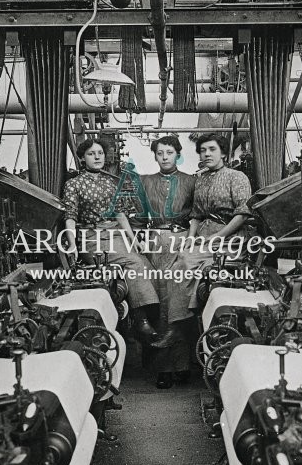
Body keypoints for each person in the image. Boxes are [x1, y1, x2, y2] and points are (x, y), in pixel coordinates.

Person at [152, 134, 252, 348]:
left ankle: (178, 328)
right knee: (176, 265)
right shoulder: (202, 179)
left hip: (230, 237)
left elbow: (243, 214)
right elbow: (196, 215)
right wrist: (190, 238)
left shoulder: (237, 177)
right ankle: (181, 325)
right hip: (203, 235)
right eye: (203, 150)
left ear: (223, 153)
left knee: (187, 265)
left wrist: (219, 236)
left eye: (212, 149)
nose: (206, 154)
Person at [63, 138, 160, 340]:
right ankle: (140, 320)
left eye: (100, 153)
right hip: (92, 237)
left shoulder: (110, 182)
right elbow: (70, 217)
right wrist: (72, 243)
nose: (97, 157)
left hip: (115, 234)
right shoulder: (73, 184)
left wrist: (134, 240)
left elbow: (120, 214)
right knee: (133, 263)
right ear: (82, 158)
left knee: (147, 265)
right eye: (91, 154)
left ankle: (139, 319)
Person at [132, 136, 196, 389]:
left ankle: (183, 365)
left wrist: (192, 242)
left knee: (181, 302)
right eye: (160, 153)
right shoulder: (145, 182)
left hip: (183, 243)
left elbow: (197, 216)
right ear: (155, 156)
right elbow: (137, 218)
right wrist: (137, 241)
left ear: (178, 154)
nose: (165, 157)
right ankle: (163, 368)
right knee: (160, 302)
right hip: (155, 243)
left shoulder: (192, 181)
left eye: (170, 152)